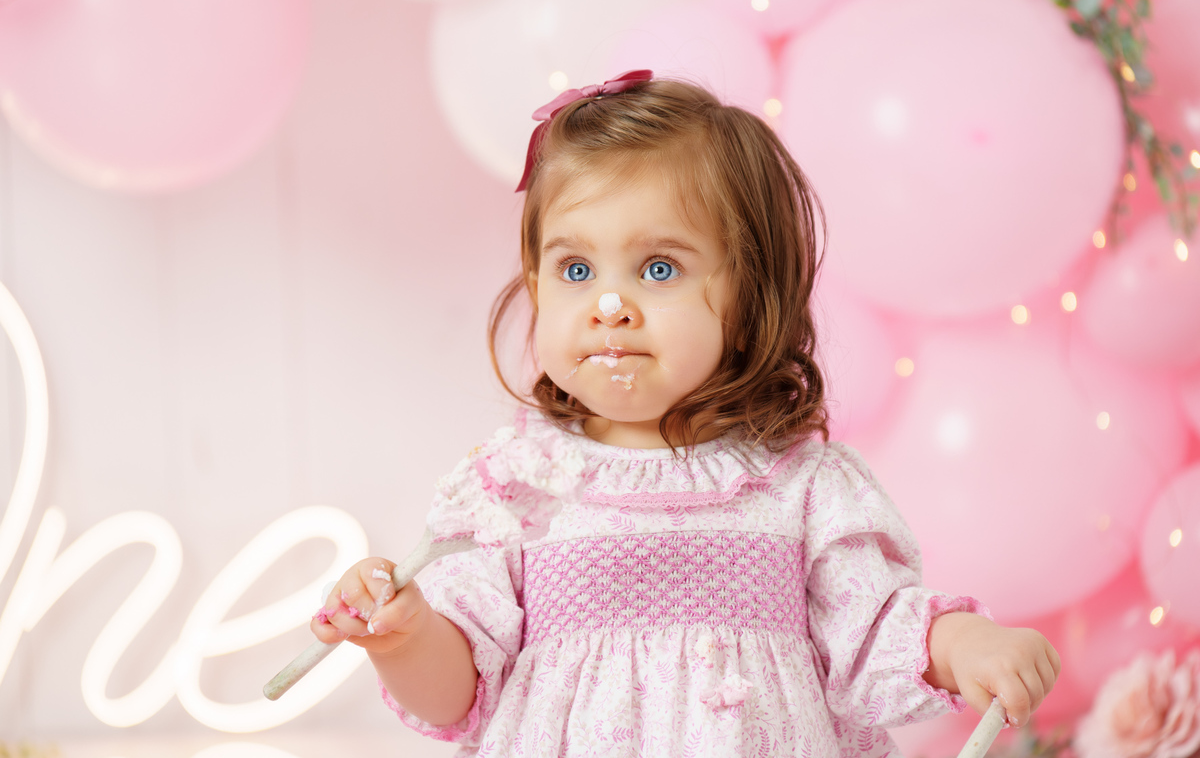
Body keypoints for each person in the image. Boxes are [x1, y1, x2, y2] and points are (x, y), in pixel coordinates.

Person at [311, 72, 1060, 757]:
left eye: (659, 268)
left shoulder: (801, 487)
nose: (609, 306)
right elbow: (458, 695)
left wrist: (964, 644)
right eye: (576, 269)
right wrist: (404, 637)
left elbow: (873, 636)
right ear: (536, 285)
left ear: (749, 295)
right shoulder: (516, 487)